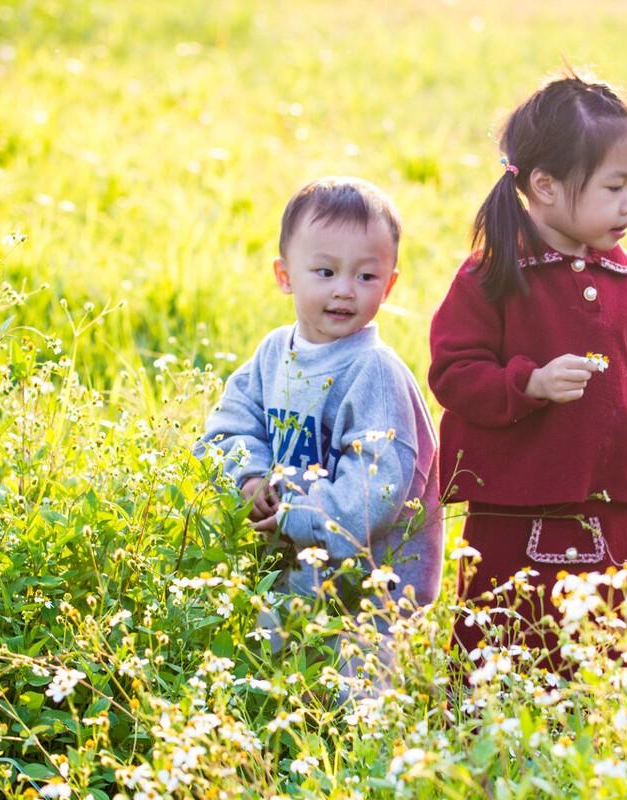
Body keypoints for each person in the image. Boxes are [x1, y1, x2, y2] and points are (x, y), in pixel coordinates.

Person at [428, 71, 627, 668]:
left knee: (613, 643)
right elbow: (454, 374)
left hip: (609, 502)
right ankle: (489, 730)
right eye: (615, 186)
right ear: (543, 184)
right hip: (516, 503)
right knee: (505, 639)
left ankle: (611, 732)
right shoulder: (493, 276)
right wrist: (530, 383)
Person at [199, 176, 444, 693]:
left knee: (355, 711)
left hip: (369, 597)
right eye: (326, 271)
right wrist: (248, 478)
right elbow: (231, 424)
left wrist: (295, 513)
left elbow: (377, 487)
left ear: (390, 285)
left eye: (365, 276)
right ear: (285, 276)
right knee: (277, 692)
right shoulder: (273, 353)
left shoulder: (374, 371)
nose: (344, 289)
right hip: (290, 579)